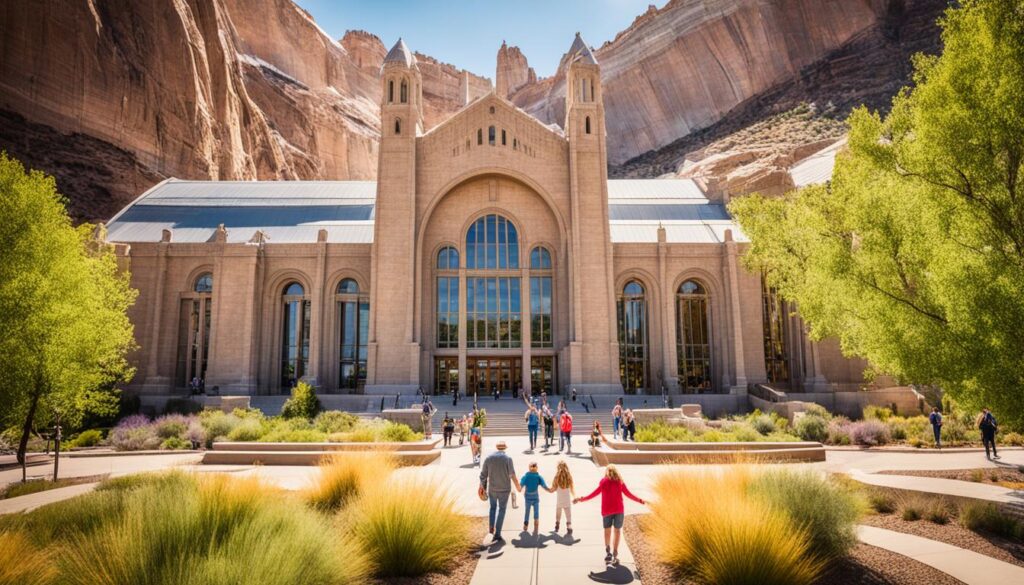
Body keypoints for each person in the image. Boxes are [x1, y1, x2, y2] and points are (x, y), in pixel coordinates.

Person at [575, 464, 646, 565]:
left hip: (607, 510)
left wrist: (581, 499)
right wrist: (640, 500)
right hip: (618, 510)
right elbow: (628, 494)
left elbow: (594, 494)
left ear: (607, 472)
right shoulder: (620, 482)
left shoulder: (603, 482)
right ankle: (615, 552)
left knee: (607, 531)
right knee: (617, 531)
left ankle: (608, 551)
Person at [480, 440, 521, 543]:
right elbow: (512, 475)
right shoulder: (508, 459)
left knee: (493, 508)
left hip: (492, 489)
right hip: (504, 489)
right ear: (505, 448)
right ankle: (497, 533)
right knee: (502, 510)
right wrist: (518, 486)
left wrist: (482, 487)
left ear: (497, 447)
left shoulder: (489, 458)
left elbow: (483, 475)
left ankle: (491, 528)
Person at [518, 461, 551, 534]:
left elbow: (521, 485)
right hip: (535, 497)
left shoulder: (526, 476)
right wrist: (550, 490)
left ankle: (526, 524)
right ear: (537, 468)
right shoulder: (538, 477)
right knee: (536, 511)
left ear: (529, 468)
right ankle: (536, 523)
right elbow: (544, 486)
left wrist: (519, 488)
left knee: (527, 511)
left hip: (528, 496)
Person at [551, 460, 576, 535]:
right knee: (568, 514)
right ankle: (569, 526)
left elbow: (553, 488)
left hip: (559, 499)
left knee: (558, 512)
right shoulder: (568, 476)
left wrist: (549, 489)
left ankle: (557, 524)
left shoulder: (556, 476)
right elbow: (572, 488)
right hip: (567, 500)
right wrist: (574, 497)